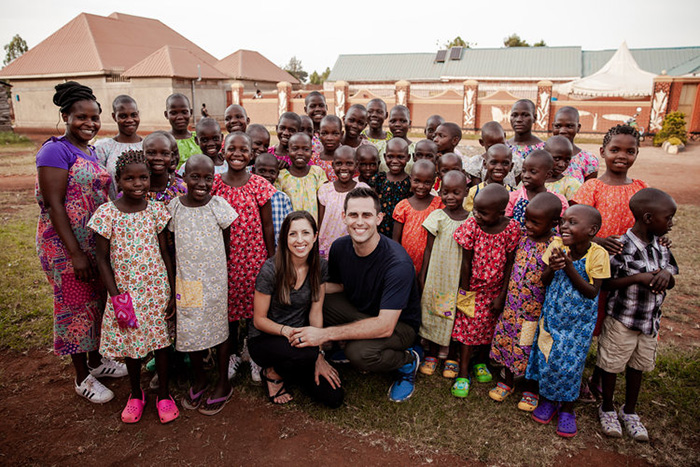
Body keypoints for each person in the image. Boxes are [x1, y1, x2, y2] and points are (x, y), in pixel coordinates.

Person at [36, 81, 127, 404]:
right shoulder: (54, 150)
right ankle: (81, 377)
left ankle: (97, 362)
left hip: (92, 243)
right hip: (65, 246)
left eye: (94, 118)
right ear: (65, 116)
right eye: (81, 117)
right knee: (75, 308)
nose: (88, 123)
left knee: (94, 304)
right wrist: (74, 252)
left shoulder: (90, 150)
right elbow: (54, 204)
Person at [289, 187, 422, 403]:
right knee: (315, 297)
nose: (359, 222)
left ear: (379, 219)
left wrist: (324, 335)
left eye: (366, 215)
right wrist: (305, 287)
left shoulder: (397, 263)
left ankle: (407, 360)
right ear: (344, 217)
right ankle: (318, 355)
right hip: (361, 310)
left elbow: (385, 325)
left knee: (358, 353)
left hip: (398, 325)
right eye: (353, 215)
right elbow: (338, 286)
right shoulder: (340, 247)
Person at [89, 150, 178, 424]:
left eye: (143, 178)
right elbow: (102, 260)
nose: (137, 184)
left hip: (157, 291)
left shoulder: (156, 210)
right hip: (126, 294)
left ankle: (164, 394)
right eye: (130, 179)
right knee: (132, 345)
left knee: (161, 342)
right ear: (118, 180)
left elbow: (165, 252)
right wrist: (115, 297)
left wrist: (173, 291)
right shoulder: (106, 214)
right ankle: (136, 393)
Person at [572, 125, 648, 398]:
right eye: (615, 150)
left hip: (627, 271)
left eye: (630, 151)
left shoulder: (641, 189)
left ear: (637, 154)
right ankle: (576, 374)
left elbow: (650, 224)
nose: (622, 156)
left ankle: (602, 376)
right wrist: (598, 242)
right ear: (603, 151)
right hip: (593, 268)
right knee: (587, 321)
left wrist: (661, 240)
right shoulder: (592, 187)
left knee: (614, 324)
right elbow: (575, 225)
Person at [598, 188, 678, 442]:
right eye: (668, 218)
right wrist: (638, 279)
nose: (671, 223)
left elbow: (671, 277)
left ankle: (630, 411)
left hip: (649, 322)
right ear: (647, 217)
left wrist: (667, 275)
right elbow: (606, 284)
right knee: (611, 365)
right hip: (622, 320)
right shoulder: (619, 247)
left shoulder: (662, 248)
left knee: (638, 367)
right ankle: (607, 407)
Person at [526, 205, 610, 438]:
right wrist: (552, 269)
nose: (564, 226)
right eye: (563, 221)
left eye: (572, 222)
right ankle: (548, 401)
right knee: (548, 358)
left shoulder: (598, 254)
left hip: (578, 324)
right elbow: (543, 281)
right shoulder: (556, 246)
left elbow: (592, 292)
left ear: (592, 230)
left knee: (571, 365)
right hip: (552, 317)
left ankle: (568, 409)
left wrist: (570, 266)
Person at [250, 211, 344, 408]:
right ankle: (272, 373)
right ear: (284, 238)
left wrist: (319, 354)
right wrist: (287, 331)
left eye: (305, 233)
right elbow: (259, 319)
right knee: (305, 355)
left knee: (333, 397)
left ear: (315, 236)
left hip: (300, 339)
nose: (299, 240)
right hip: (266, 337)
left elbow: (316, 312)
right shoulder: (271, 269)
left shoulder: (320, 266)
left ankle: (297, 369)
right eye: (293, 234)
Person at [168, 155, 239, 416]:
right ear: (184, 177)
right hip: (187, 282)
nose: (201, 183)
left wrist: (217, 270)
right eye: (194, 176)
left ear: (214, 179)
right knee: (190, 328)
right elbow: (171, 244)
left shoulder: (218, 206)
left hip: (215, 280)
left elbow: (227, 241)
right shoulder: (174, 207)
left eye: (208, 178)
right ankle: (200, 378)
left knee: (220, 328)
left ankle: (223, 381)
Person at [211, 132, 276, 382]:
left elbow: (268, 225)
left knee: (254, 310)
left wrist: (271, 258)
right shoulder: (215, 184)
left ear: (252, 154)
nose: (237, 154)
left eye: (244, 149)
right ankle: (230, 356)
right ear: (222, 151)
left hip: (254, 257)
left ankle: (253, 355)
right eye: (232, 148)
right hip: (224, 259)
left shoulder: (259, 184)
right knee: (227, 309)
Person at [489, 193, 562, 411]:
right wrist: (502, 296)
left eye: (535, 222)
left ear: (553, 223)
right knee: (507, 341)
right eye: (527, 220)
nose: (528, 225)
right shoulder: (522, 238)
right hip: (512, 304)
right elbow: (510, 266)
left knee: (528, 347)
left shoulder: (555, 244)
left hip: (534, 310)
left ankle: (530, 388)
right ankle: (507, 381)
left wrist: (551, 266)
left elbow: (549, 279)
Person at [450, 184, 521, 398]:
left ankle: (481, 362)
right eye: (476, 210)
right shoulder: (472, 226)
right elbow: (466, 261)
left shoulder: (511, 229)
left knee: (489, 327)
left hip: (496, 290)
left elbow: (510, 263)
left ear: (500, 213)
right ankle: (463, 372)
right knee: (467, 328)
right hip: (472, 288)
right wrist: (465, 292)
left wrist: (502, 295)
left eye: (482, 212)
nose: (476, 215)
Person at [418, 170, 469, 377]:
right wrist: (423, 274)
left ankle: (452, 356)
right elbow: (428, 248)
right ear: (439, 192)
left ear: (466, 192)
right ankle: (432, 353)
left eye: (456, 192)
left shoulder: (471, 220)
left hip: (460, 276)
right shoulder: (437, 216)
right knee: (434, 313)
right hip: (438, 276)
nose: (450, 197)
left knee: (459, 315)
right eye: (445, 192)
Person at [318, 145, 369, 259]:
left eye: (349, 164)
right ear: (333, 165)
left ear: (356, 165)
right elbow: (320, 221)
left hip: (353, 245)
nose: (344, 168)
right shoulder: (325, 190)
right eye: (339, 163)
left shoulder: (362, 190)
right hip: (326, 246)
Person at [392, 160, 443, 272]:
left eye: (427, 182)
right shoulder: (402, 206)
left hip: (431, 262)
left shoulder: (439, 204)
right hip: (406, 261)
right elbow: (395, 239)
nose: (421, 186)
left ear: (434, 182)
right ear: (410, 179)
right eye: (417, 181)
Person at [506, 149, 568, 230]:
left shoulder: (558, 201)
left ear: (548, 174)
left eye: (533, 172)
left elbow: (562, 227)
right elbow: (506, 227)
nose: (526, 175)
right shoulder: (513, 198)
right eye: (524, 171)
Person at [94, 95, 143, 199]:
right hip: (115, 209)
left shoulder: (148, 146)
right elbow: (98, 183)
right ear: (114, 117)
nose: (130, 120)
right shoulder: (104, 147)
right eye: (123, 116)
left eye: (133, 115)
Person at [275, 133, 327, 222]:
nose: (300, 153)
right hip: (290, 229)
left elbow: (323, 202)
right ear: (288, 151)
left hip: (313, 228)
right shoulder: (281, 176)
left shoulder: (317, 173)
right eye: (295, 149)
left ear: (311, 152)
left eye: (306, 149)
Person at [465, 121, 521, 189]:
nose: (496, 150)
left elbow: (515, 185)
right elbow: (478, 190)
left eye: (500, 144)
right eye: (491, 146)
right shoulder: (476, 163)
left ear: (505, 137)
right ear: (482, 142)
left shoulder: (515, 161)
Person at [254, 152, 293, 247]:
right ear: (253, 171)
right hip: (254, 250)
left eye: (272, 172)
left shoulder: (282, 198)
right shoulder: (247, 195)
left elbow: (289, 226)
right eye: (262, 171)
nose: (267, 175)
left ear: (277, 174)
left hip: (277, 248)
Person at [374, 138, 411, 237]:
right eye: (390, 157)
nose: (395, 161)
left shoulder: (411, 183)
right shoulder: (379, 179)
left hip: (401, 232)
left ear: (408, 157)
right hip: (378, 231)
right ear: (385, 157)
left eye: (400, 157)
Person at [552, 106, 599, 183]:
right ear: (552, 126)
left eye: (569, 126)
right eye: (558, 126)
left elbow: (588, 191)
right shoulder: (542, 155)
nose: (563, 131)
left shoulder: (588, 160)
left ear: (578, 127)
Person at [464, 143, 516, 212]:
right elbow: (469, 218)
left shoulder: (514, 194)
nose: (499, 167)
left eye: (505, 163)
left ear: (511, 167)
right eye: (493, 162)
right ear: (485, 164)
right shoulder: (474, 192)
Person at [142, 131, 187, 204]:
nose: (158, 158)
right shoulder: (135, 190)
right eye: (151, 153)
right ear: (142, 154)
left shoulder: (183, 189)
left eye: (165, 153)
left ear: (172, 157)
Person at [165, 93, 198, 169]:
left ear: (191, 112)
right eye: (173, 113)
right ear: (166, 115)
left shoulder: (199, 139)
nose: (180, 117)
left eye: (184, 112)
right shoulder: (164, 140)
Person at [544, 136, 581, 201]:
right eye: (557, 159)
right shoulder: (533, 179)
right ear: (544, 154)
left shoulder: (570, 184)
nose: (562, 165)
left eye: (567, 160)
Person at [507, 99, 544, 164]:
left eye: (525, 115)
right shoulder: (504, 147)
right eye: (514, 115)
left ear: (534, 118)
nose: (519, 120)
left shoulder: (543, 148)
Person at [381, 105, 414, 173]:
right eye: (393, 121)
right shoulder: (379, 147)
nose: (397, 124)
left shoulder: (416, 148)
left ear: (409, 123)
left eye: (403, 121)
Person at [313, 115, 344, 181]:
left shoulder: (347, 159)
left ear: (341, 135)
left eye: (335, 134)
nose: (329, 138)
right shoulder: (314, 160)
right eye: (324, 133)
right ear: (319, 135)